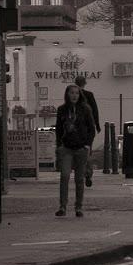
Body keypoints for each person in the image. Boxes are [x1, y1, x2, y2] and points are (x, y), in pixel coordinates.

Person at [55, 83, 96, 217]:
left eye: (77, 93)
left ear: (80, 95)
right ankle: (62, 206)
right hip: (67, 148)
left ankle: (78, 207)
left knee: (79, 179)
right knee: (65, 176)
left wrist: (87, 145)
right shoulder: (62, 110)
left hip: (81, 148)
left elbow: (91, 129)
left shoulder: (85, 109)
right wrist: (59, 145)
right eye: (71, 93)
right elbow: (58, 129)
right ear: (67, 94)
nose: (74, 95)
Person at [74, 74, 101, 188]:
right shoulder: (89, 95)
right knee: (87, 150)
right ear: (84, 83)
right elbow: (95, 110)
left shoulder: (72, 95)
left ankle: (80, 172)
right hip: (88, 128)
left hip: (76, 128)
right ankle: (88, 173)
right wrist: (97, 125)